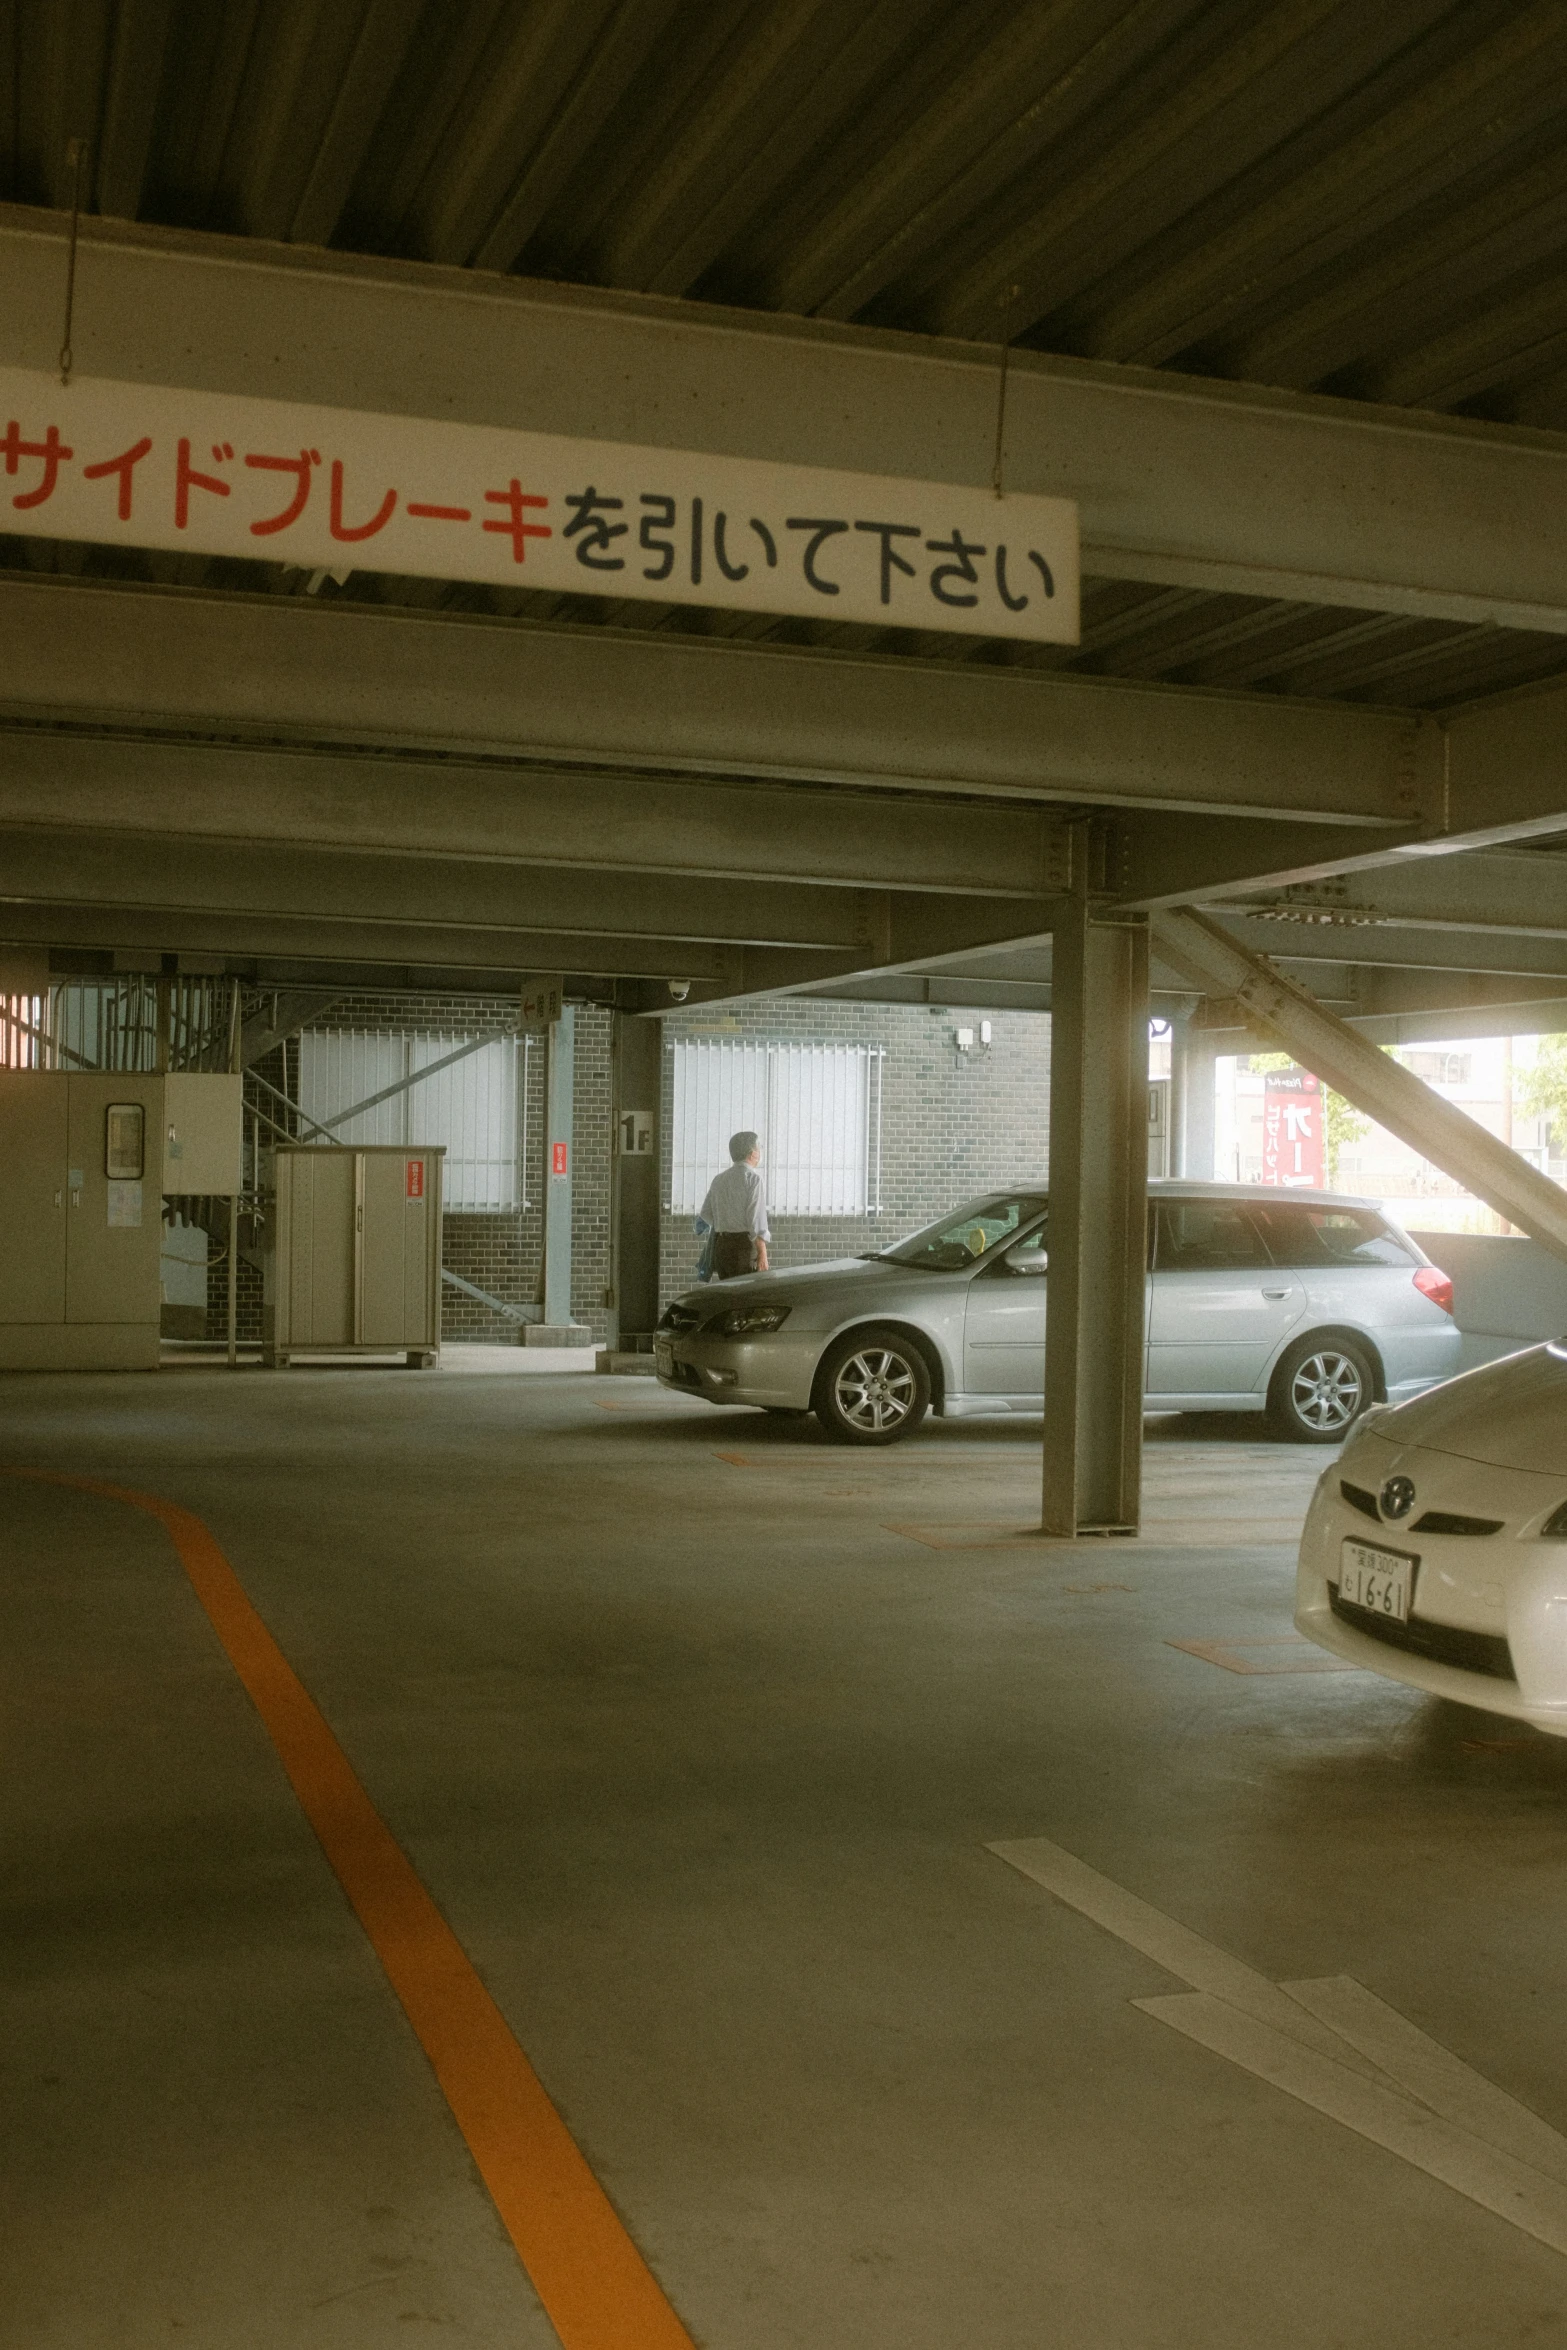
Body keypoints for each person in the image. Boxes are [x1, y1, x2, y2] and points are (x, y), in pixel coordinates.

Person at [699, 1130, 770, 1280]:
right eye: (759, 1148)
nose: (760, 1152)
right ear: (752, 1153)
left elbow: (705, 1213)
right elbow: (755, 1221)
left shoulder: (719, 1179)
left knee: (728, 1295)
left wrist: (724, 1223)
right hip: (743, 1248)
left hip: (722, 1246)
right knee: (745, 1296)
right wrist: (762, 1253)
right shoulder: (753, 1179)